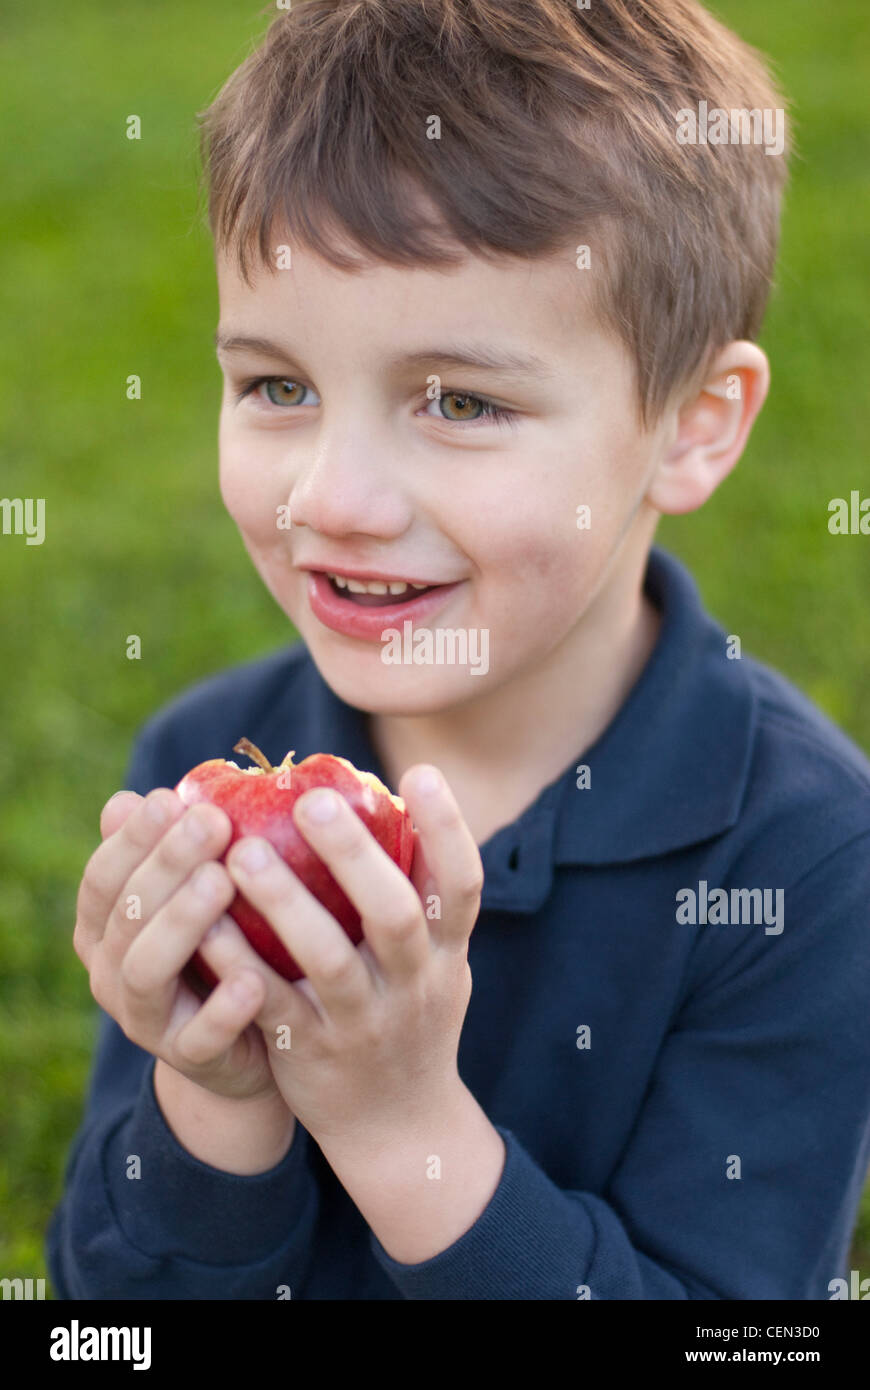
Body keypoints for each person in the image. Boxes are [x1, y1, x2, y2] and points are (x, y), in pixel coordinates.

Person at [47, 0, 870, 1299]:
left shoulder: (804, 859)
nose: (334, 495)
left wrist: (401, 1129)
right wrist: (209, 1096)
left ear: (692, 427)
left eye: (460, 401)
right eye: (275, 385)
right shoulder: (203, 764)